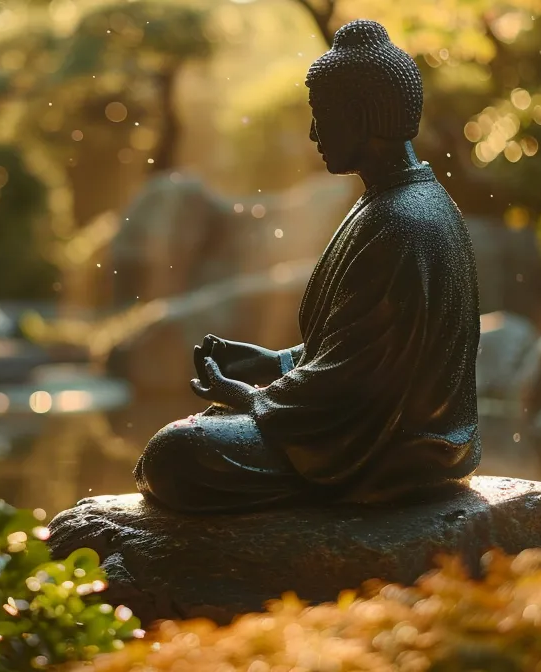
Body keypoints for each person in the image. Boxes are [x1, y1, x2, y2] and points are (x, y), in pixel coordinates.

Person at [133, 19, 482, 514]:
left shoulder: (403, 220)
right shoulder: (397, 203)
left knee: (177, 453)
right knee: (192, 435)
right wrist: (268, 363)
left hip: (392, 451)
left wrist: (252, 398)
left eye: (322, 116)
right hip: (379, 431)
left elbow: (356, 379)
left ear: (360, 117)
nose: (314, 134)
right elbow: (360, 349)